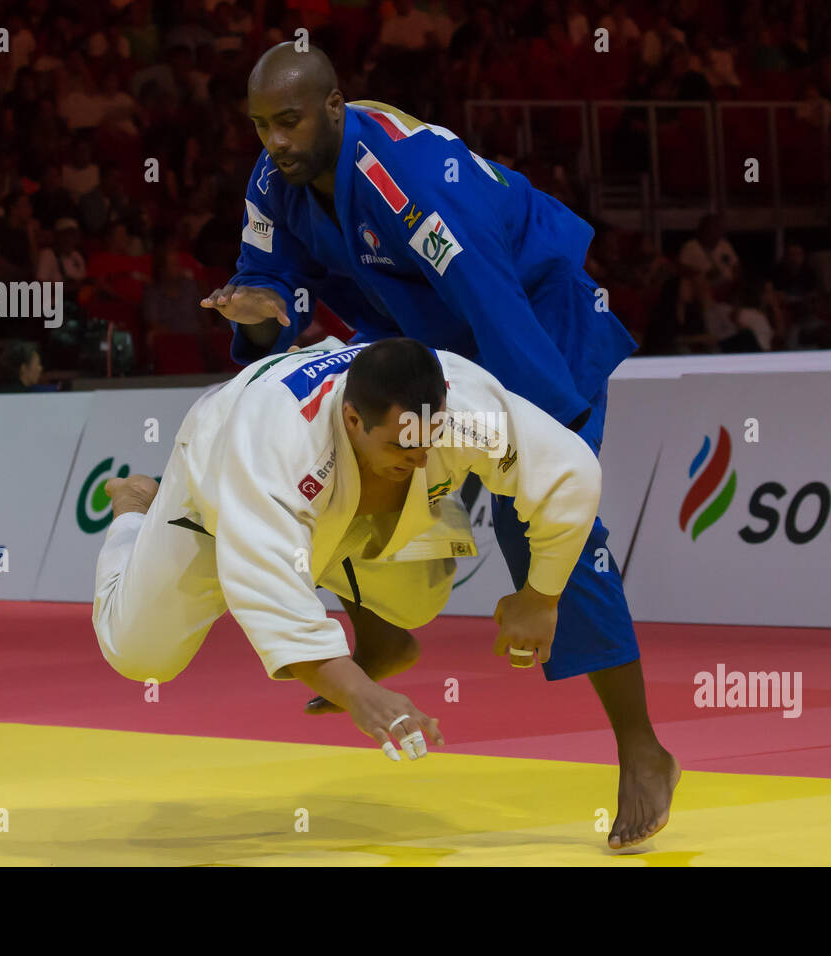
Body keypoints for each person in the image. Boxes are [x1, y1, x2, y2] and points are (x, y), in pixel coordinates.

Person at [200, 43, 678, 849]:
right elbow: (267, 285)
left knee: (541, 524)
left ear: (332, 104)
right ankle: (381, 632)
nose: (274, 141)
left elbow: (490, 300)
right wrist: (255, 310)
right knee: (341, 452)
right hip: (421, 334)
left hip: (530, 316)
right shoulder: (272, 181)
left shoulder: (406, 183)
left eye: (287, 122)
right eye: (259, 126)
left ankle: (643, 747)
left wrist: (545, 447)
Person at [94, 338, 602, 768]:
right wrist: (361, 694)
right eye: (404, 449)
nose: (422, 457)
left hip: (326, 485)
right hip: (217, 479)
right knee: (140, 655)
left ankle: (372, 593)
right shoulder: (276, 446)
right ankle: (135, 509)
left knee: (417, 602)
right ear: (354, 419)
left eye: (430, 441)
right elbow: (268, 592)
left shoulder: (463, 402)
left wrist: (540, 597)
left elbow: (572, 474)